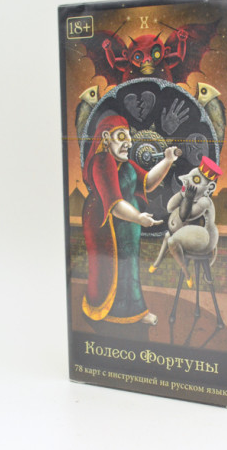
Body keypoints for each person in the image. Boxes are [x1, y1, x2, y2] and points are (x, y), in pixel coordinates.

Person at [81, 114, 178, 325]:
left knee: (129, 266)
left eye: (129, 137)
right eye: (121, 136)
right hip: (107, 226)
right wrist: (138, 217)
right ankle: (108, 310)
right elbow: (114, 204)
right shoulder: (102, 161)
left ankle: (135, 310)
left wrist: (167, 160)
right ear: (106, 137)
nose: (129, 143)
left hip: (127, 225)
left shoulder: (125, 165)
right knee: (111, 267)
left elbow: (148, 182)